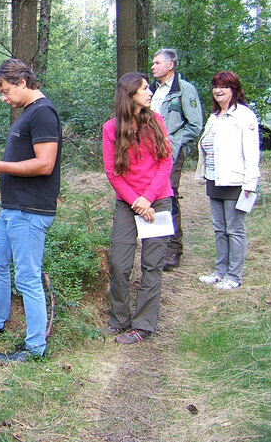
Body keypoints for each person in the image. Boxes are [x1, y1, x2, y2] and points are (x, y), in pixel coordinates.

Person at [0, 59, 62, 362]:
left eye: (7, 90)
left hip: (30, 209)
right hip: (13, 207)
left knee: (27, 277)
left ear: (23, 82)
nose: (4, 97)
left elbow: (45, 163)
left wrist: (0, 166)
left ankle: (35, 347)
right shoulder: (28, 113)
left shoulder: (44, 114)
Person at [102, 72, 173, 345]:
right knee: (119, 264)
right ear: (129, 94)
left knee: (152, 265)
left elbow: (166, 163)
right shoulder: (111, 129)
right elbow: (112, 173)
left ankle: (143, 324)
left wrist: (148, 199)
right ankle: (119, 319)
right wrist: (136, 201)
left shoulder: (156, 121)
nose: (149, 92)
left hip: (158, 200)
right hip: (128, 203)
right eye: (144, 88)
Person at [195, 71, 260, 290]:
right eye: (215, 86)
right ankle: (220, 271)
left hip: (236, 182)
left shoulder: (244, 115)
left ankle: (234, 276)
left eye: (224, 86)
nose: (218, 90)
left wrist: (250, 183)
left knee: (235, 230)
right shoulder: (214, 117)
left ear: (234, 90)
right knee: (219, 229)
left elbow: (252, 153)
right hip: (214, 180)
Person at [150, 48, 203, 270]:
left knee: (168, 196)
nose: (153, 67)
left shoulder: (184, 90)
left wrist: (173, 141)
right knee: (151, 196)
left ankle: (173, 249)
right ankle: (155, 247)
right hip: (149, 153)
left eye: (157, 63)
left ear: (170, 65)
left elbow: (195, 125)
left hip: (170, 153)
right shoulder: (152, 90)